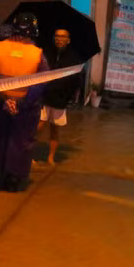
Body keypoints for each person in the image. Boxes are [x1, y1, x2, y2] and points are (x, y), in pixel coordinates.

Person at [0, 13, 50, 192]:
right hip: (25, 109)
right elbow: (41, 83)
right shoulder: (38, 55)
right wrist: (20, 103)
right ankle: (12, 181)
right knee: (21, 142)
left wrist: (5, 98)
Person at [39, 28, 82, 165]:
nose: (59, 39)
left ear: (68, 40)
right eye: (57, 36)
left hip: (59, 100)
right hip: (43, 97)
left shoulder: (74, 58)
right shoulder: (46, 53)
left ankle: (50, 157)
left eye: (63, 37)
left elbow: (76, 81)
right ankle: (28, 155)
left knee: (55, 129)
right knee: (37, 126)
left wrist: (67, 97)